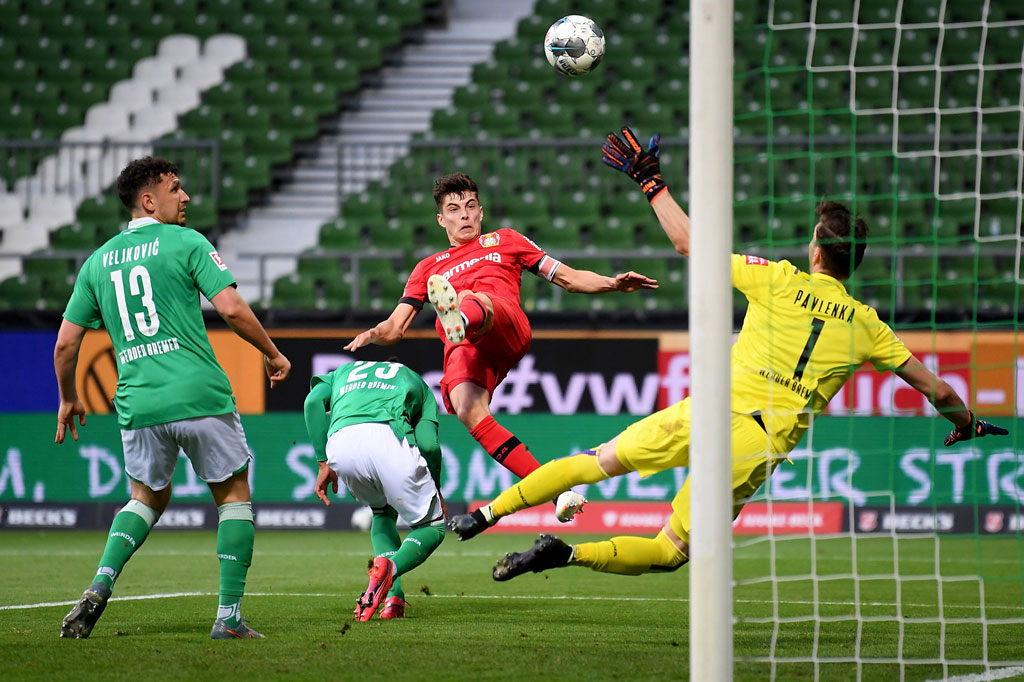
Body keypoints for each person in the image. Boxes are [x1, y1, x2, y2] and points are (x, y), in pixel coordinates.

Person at [446, 127, 1010, 581]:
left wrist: (651, 184)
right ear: (852, 263)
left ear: (815, 249)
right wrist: (967, 422)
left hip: (708, 410)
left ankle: (487, 513)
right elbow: (938, 390)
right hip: (756, 441)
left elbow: (690, 244)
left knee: (595, 463)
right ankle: (566, 555)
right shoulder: (869, 326)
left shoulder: (777, 278)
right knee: (669, 552)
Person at [55, 156, 291, 639]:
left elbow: (65, 344)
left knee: (145, 498)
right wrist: (271, 352)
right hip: (199, 395)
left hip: (138, 404)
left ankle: (101, 583)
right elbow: (232, 309)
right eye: (175, 189)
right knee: (233, 497)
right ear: (149, 200)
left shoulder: (96, 262)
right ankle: (228, 619)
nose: (185, 197)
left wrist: (69, 397)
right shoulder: (187, 242)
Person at [344, 172, 657, 522]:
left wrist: (612, 283)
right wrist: (375, 333)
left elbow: (567, 277)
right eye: (454, 209)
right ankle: (558, 494)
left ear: (481, 212)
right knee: (467, 409)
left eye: (470, 207)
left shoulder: (505, 240)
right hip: (466, 346)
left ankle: (460, 316)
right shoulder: (426, 268)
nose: (463, 214)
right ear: (440, 219)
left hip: (503, 322)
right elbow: (395, 326)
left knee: (469, 298)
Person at [304, 358, 445, 620]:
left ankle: (393, 601)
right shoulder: (414, 380)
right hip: (389, 437)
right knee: (432, 527)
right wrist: (436, 486)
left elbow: (312, 402)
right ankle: (390, 570)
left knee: (382, 514)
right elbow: (429, 445)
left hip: (342, 444)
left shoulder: (344, 372)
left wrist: (322, 461)